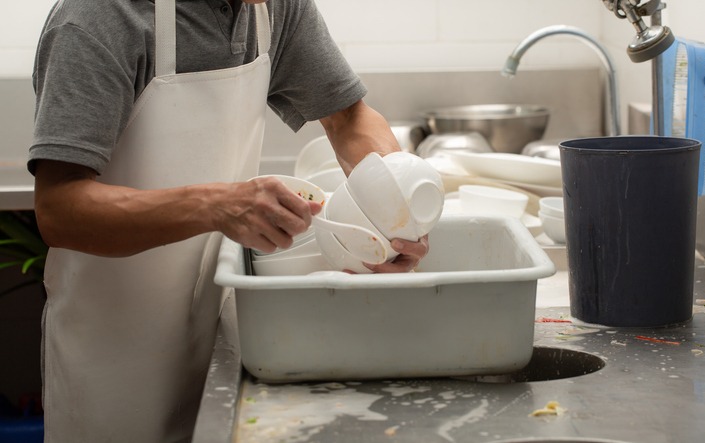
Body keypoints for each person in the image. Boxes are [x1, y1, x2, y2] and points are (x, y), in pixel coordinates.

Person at [28, 0, 429, 441]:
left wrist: (393, 199)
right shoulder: (97, 18)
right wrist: (215, 204)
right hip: (113, 362)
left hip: (219, 335)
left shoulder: (273, 8)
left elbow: (348, 116)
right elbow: (59, 210)